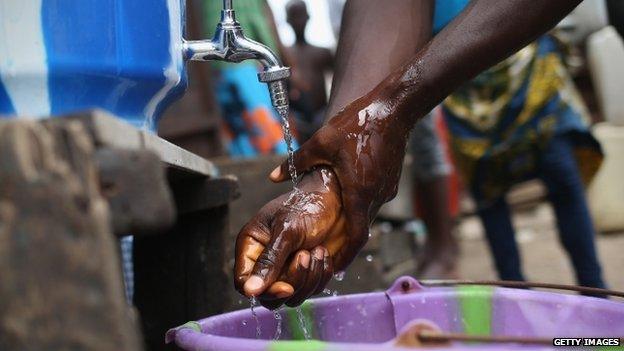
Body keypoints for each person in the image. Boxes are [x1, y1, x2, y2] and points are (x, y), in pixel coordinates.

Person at [235, 0, 596, 309]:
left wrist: (391, 107)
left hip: (520, 53)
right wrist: (328, 180)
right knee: (488, 189)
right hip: (453, 69)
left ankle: (593, 299)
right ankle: (518, 303)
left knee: (560, 171)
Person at [437, 4, 605, 288]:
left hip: (532, 77)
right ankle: (515, 298)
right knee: (491, 202)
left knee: (564, 184)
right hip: (462, 88)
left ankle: (595, 293)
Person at [202, 0, 297, 157]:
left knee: (239, 128)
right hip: (244, 63)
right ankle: (292, 164)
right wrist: (274, 61)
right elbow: (257, 22)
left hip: (215, 67)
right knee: (267, 125)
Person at [285, 0, 334, 143]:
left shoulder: (322, 53)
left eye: (301, 15)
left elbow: (340, 81)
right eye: (294, 16)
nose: (298, 21)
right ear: (288, 20)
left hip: (322, 115)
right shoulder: (285, 54)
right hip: (296, 119)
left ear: (308, 17)